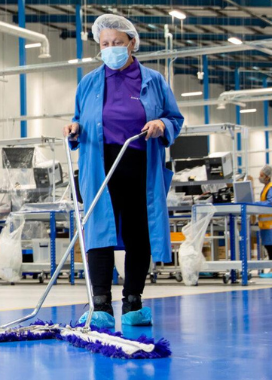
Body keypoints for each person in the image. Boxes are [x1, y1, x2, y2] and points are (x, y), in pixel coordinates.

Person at [64, 14, 184, 328]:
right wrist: (74, 128)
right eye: (105, 44)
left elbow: (175, 118)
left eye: (117, 43)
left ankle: (134, 302)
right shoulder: (88, 83)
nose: (111, 49)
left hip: (139, 164)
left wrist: (162, 124)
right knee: (98, 233)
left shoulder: (153, 80)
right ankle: (100, 305)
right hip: (99, 164)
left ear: (132, 43)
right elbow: (78, 118)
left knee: (137, 233)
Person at [257, 166, 272, 277]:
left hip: (271, 222)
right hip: (266, 223)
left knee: (270, 246)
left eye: (262, 175)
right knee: (268, 246)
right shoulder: (267, 187)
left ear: (267, 177)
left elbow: (269, 202)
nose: (260, 177)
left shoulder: (271, 187)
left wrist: (256, 204)